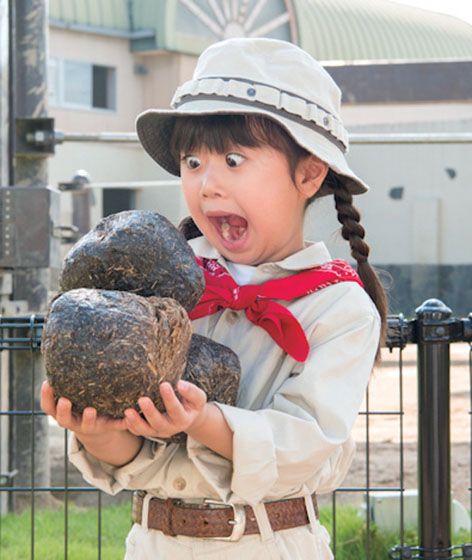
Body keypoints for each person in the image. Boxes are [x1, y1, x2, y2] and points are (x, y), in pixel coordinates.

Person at [41, 37, 387, 559]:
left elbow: (307, 445)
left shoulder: (339, 308)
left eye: (231, 158)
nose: (206, 185)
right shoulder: (158, 296)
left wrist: (201, 421)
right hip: (155, 545)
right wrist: (101, 432)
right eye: (192, 161)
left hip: (271, 545)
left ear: (309, 172)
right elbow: (139, 457)